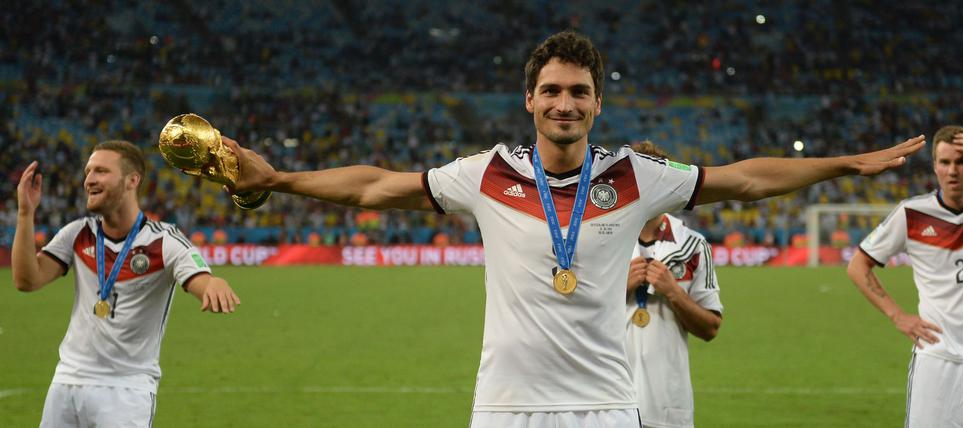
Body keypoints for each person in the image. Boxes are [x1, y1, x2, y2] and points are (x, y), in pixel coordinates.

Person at [224, 31, 923, 427]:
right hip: (505, 408)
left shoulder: (636, 175)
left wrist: (841, 165)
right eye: (552, 91)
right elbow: (377, 187)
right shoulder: (488, 173)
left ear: (597, 103)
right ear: (529, 99)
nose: (565, 103)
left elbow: (745, 179)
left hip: (606, 409)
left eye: (579, 91)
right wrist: (278, 179)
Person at [12, 140, 241, 427]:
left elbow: (200, 279)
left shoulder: (164, 240)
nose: (89, 180)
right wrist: (25, 214)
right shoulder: (77, 233)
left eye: (101, 171)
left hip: (125, 390)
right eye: (88, 172)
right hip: (67, 382)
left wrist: (213, 284)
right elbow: (26, 280)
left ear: (132, 180)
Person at [847, 126, 963, 428]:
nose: (953, 171)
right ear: (934, 167)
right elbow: (857, 266)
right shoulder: (912, 214)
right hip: (938, 361)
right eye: (945, 162)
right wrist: (897, 316)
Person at [625, 142, 722, 428]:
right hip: (606, 402)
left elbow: (710, 328)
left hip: (666, 405)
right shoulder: (599, 238)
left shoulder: (692, 245)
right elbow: (571, 316)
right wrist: (619, 289)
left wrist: (674, 292)